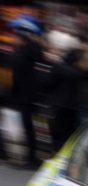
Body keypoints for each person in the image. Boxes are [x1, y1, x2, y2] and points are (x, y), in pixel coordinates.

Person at [9, 16, 44, 169]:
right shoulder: (29, 49)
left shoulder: (26, 51)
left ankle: (32, 158)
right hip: (26, 93)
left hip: (26, 94)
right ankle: (31, 157)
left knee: (28, 127)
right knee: (27, 126)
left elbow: (18, 71)